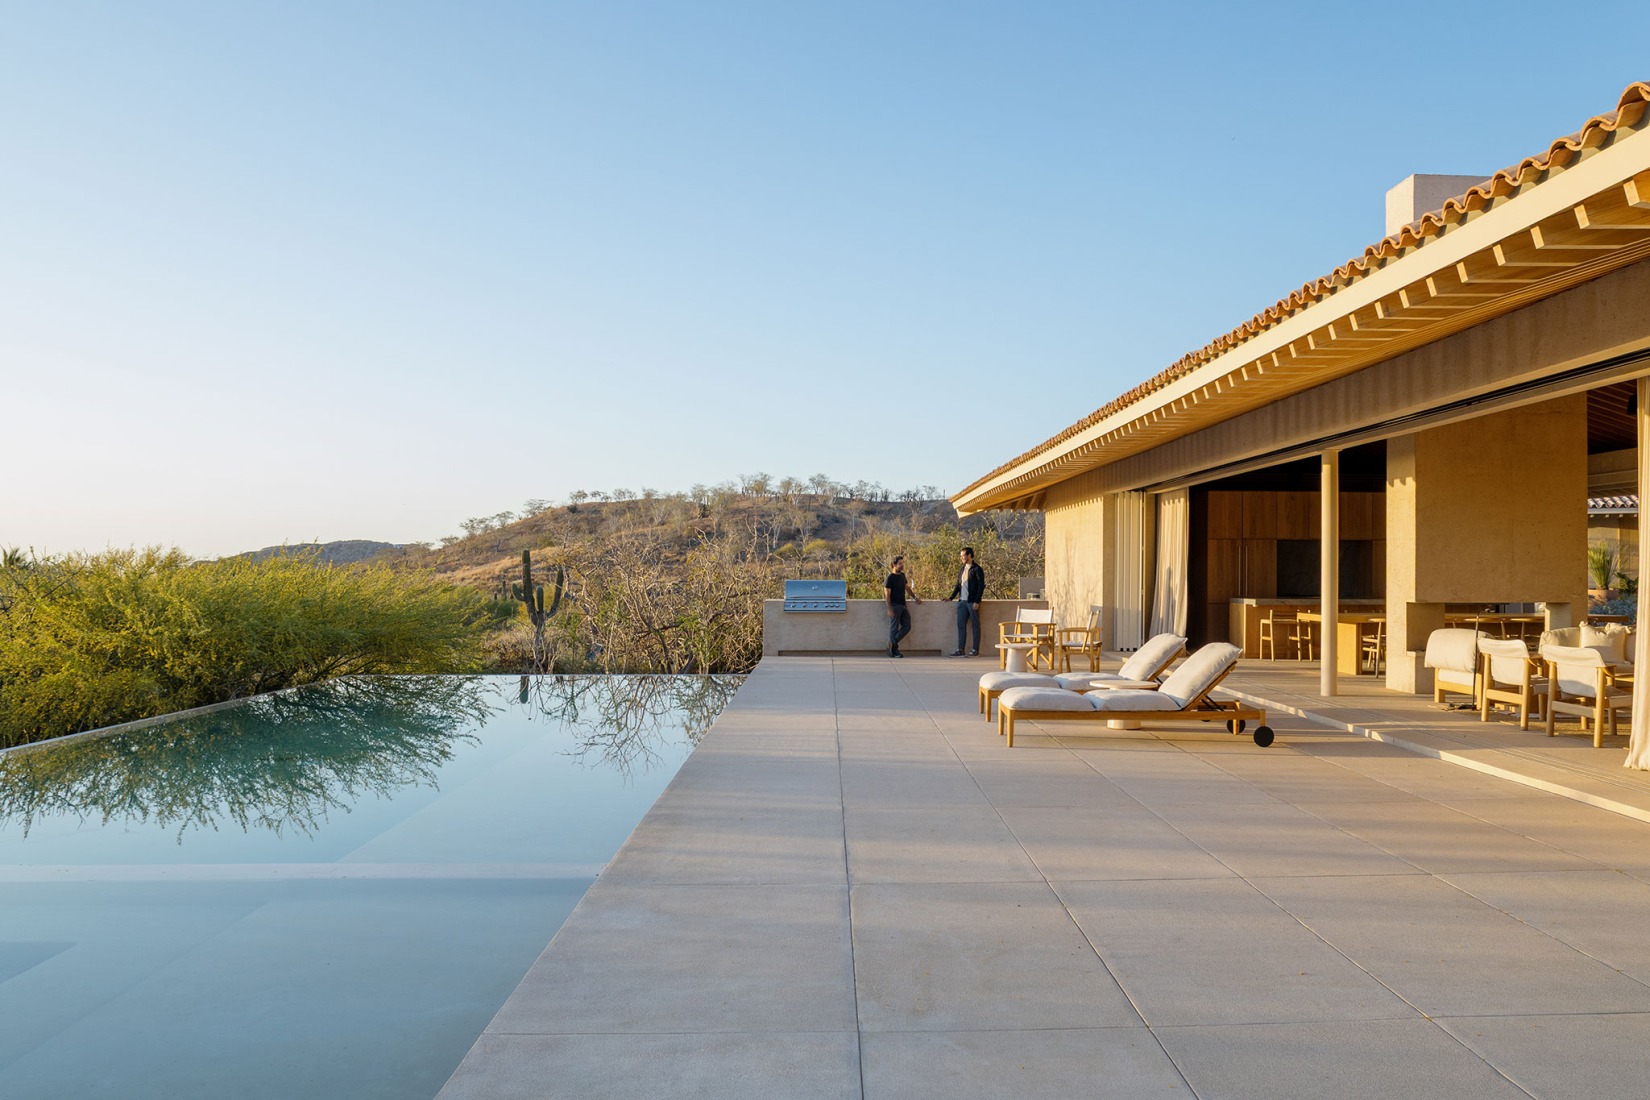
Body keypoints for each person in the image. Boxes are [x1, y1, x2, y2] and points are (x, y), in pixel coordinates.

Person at [946, 546, 985, 656]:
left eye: (963, 556)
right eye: (961, 556)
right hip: (962, 602)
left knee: (975, 626)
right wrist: (951, 597)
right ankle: (960, 649)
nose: (961, 558)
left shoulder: (977, 569)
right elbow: (958, 585)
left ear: (969, 556)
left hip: (972, 602)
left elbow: (981, 586)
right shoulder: (962, 569)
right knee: (961, 625)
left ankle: (975, 650)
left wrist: (977, 602)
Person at [883, 555, 920, 658]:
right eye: (900, 563)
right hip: (894, 606)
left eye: (902, 563)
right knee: (894, 628)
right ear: (894, 565)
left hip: (903, 605)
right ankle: (894, 651)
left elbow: (907, 588)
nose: (902, 565)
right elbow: (887, 595)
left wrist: (914, 598)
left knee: (907, 626)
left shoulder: (902, 576)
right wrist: (889, 609)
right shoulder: (889, 578)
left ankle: (892, 643)